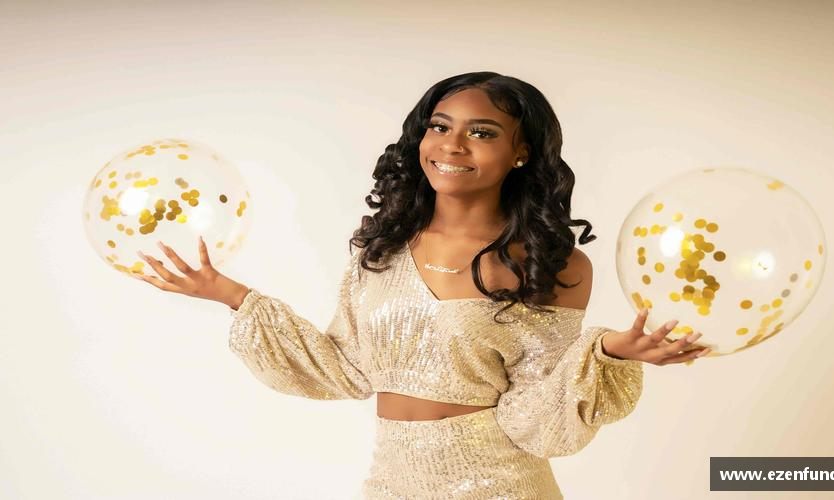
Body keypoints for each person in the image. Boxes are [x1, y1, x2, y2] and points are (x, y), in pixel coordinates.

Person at [132, 71, 712, 499]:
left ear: (521, 152)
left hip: (502, 485)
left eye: (481, 132)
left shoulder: (549, 264)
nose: (452, 145)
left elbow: (537, 420)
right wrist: (230, 295)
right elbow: (344, 369)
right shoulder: (382, 248)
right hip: (391, 483)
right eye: (439, 126)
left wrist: (609, 353)